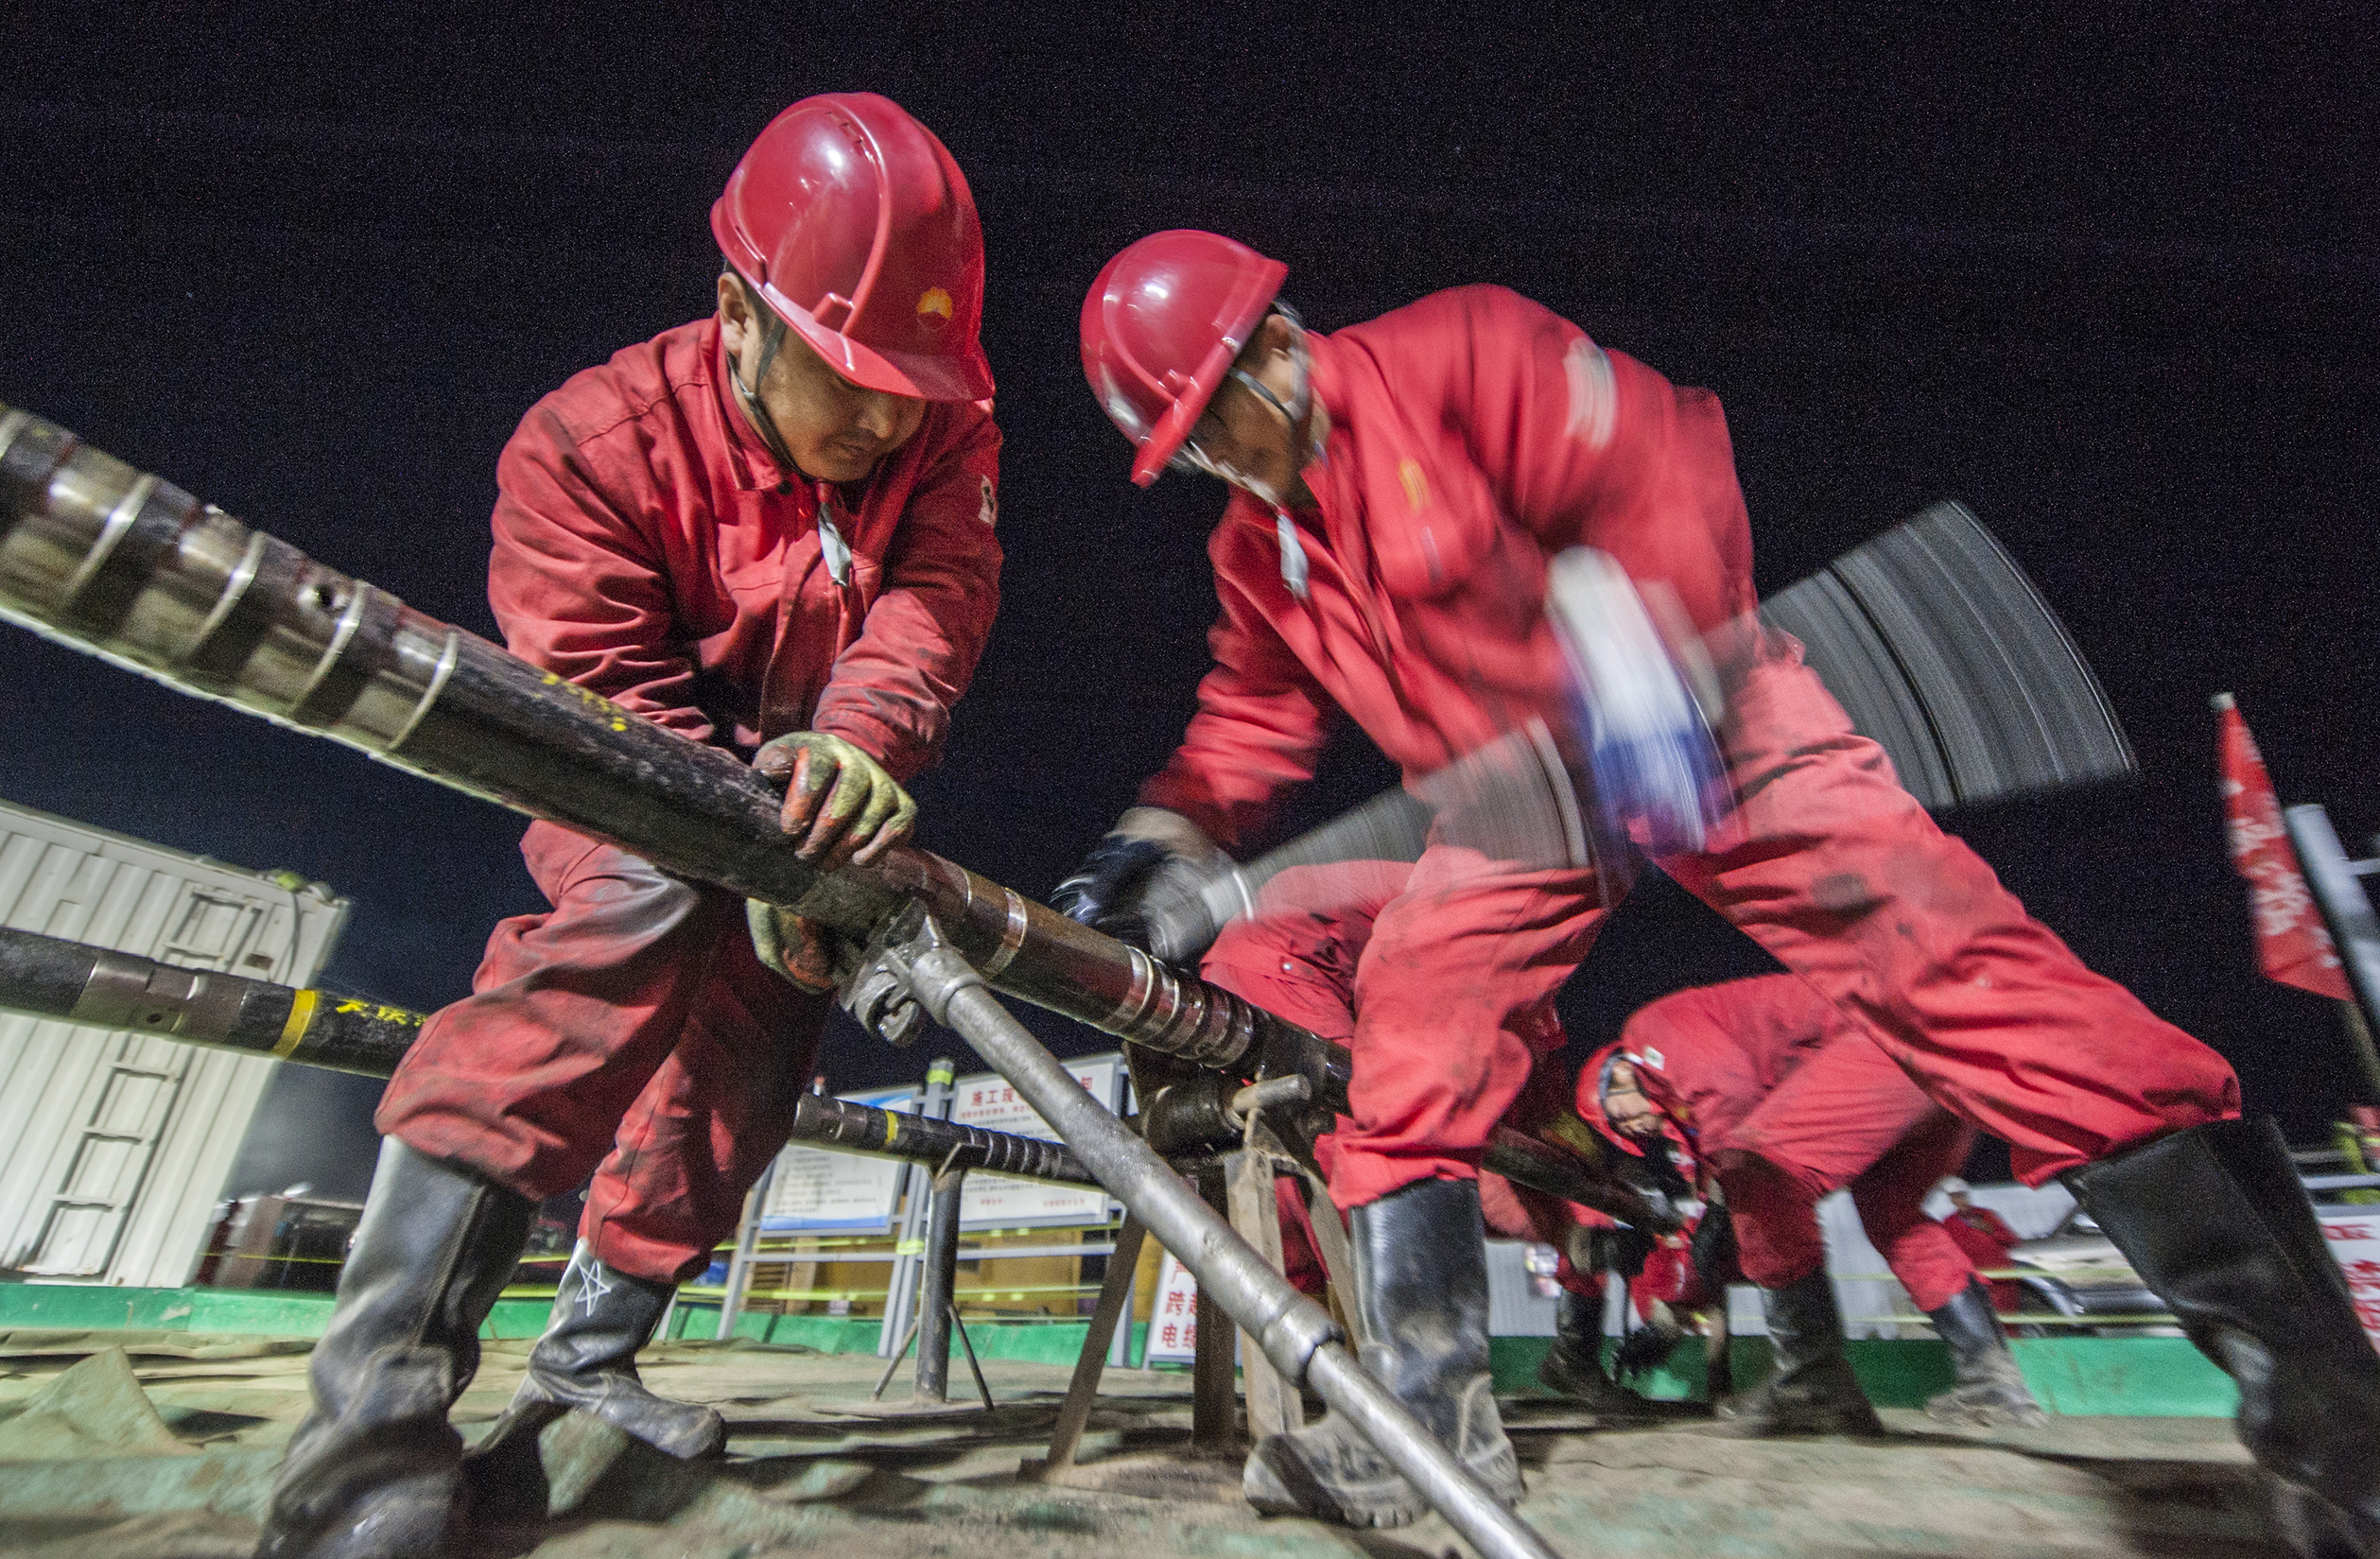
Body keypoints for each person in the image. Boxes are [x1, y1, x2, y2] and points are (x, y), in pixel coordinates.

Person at [1062, 229, 2378, 1552]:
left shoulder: (1460, 354)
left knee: (1961, 976)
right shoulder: (1260, 551)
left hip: (1714, 723)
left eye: (1212, 422)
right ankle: (1426, 1423)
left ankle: (2332, 1422)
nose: (1213, 459)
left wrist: (1653, 644)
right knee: (1410, 1029)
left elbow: (1661, 457)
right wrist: (1157, 840)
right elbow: (1255, 712)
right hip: (1516, 809)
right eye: (1184, 448)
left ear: (1273, 345)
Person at [257, 94, 1002, 1559]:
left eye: (909, 388)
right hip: (628, 763)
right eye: (850, 379)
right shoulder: (587, 449)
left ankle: (588, 1356)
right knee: (636, 913)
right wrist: (742, 826)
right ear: (738, 313)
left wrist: (854, 751)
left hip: (812, 793)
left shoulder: (944, 428)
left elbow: (937, 598)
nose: (882, 420)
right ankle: (368, 1435)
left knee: (761, 1041)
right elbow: (607, 707)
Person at [1578, 976, 2047, 1431]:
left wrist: (1727, 1197)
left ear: (1617, 1075)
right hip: (1939, 1060)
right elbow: (1708, 1211)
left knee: (1755, 1175)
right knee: (1893, 1217)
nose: (1633, 1131)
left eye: (1616, 1119)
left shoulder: (1649, 1033)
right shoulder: (1682, 1094)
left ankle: (1814, 1383)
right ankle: (1993, 1381)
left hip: (1884, 1044)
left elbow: (1730, 1105)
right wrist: (1671, 1312)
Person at [1936, 1178, 2024, 1316]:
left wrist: (1990, 1229)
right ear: (1951, 1200)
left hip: (2001, 1279)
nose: (1961, 1200)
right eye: (1956, 1197)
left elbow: (2012, 1239)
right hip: (1975, 1283)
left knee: (2008, 1319)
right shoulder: (1948, 1223)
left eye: (1962, 1195)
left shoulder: (1986, 1214)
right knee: (1984, 1319)